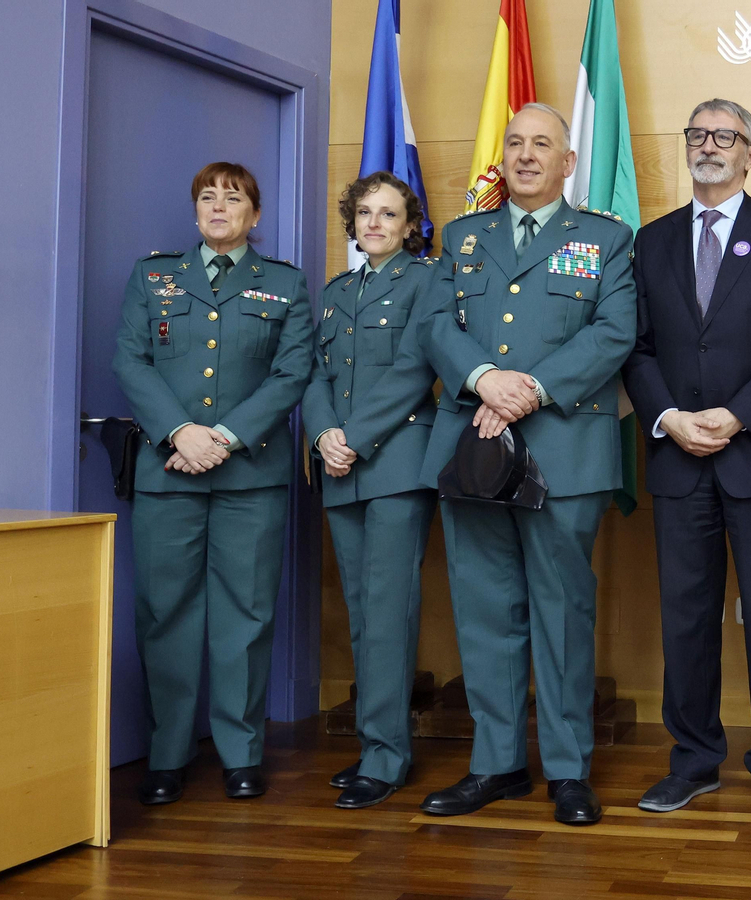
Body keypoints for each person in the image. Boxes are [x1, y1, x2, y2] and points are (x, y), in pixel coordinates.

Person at [415, 103, 636, 826]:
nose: (526, 154)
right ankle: (498, 764)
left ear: (568, 163)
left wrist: (529, 390)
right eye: (515, 143)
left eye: (543, 144)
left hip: (564, 449)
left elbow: (614, 332)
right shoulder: (464, 235)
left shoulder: (606, 238)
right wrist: (483, 378)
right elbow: (435, 323)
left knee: (561, 612)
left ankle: (569, 771)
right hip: (472, 446)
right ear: (501, 160)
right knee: (484, 613)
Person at [620, 98, 751, 824]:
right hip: (678, 457)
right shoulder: (650, 240)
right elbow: (636, 348)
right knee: (686, 618)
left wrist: (738, 414)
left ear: (750, 153)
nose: (709, 146)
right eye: (698, 134)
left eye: (726, 136)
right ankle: (694, 761)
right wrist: (670, 418)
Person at [112, 161, 314, 805]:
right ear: (194, 210)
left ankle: (240, 753)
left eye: (234, 198)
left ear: (254, 217)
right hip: (167, 474)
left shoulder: (284, 285)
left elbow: (292, 375)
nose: (219, 206)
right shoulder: (154, 277)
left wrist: (222, 438)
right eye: (207, 196)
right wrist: (179, 432)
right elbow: (130, 360)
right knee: (164, 615)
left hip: (250, 476)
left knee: (245, 616)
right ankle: (167, 754)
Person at [302, 171, 439, 809]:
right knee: (360, 609)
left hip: (394, 464)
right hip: (340, 464)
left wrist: (352, 436)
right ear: (352, 222)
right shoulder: (335, 293)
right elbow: (313, 375)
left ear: (410, 225)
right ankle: (371, 743)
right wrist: (326, 433)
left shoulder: (426, 280)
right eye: (364, 213)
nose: (375, 223)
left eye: (389, 213)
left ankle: (387, 758)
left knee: (388, 610)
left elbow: (416, 369)